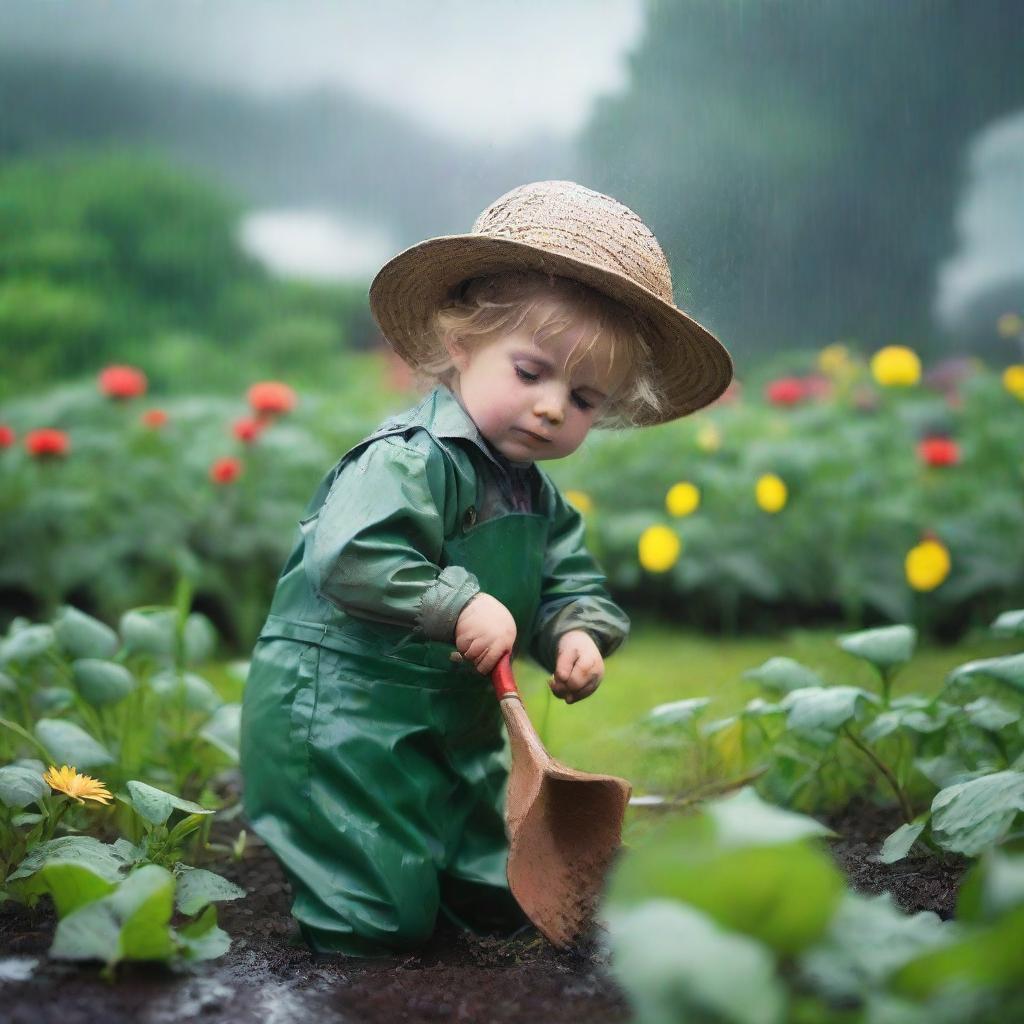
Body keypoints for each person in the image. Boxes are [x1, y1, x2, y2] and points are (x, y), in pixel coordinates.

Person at [239, 180, 733, 957]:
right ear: (461, 344)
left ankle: (475, 889)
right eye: (531, 373)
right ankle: (357, 946)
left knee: (491, 886)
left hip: (455, 725)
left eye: (581, 398)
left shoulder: (536, 494)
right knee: (379, 912)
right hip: (341, 720)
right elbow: (353, 555)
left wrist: (577, 631)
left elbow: (570, 578)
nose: (549, 408)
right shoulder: (405, 461)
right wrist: (459, 603)